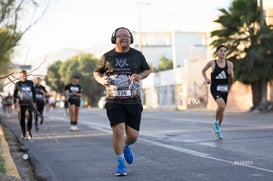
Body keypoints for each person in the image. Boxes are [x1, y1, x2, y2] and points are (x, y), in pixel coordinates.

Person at [93, 27, 151, 176]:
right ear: (114, 39)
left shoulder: (137, 55)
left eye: (127, 36)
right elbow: (97, 72)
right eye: (120, 36)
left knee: (133, 136)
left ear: (131, 38)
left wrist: (140, 76)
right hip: (114, 101)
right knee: (118, 131)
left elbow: (147, 70)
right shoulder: (107, 57)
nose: (124, 38)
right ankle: (120, 162)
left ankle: (125, 146)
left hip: (133, 101)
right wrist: (101, 80)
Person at [202, 45, 234, 139]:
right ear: (217, 53)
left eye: (225, 51)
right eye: (221, 51)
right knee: (221, 106)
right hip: (215, 88)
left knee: (222, 110)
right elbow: (203, 71)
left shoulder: (230, 64)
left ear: (226, 53)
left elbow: (232, 79)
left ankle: (217, 129)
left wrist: (231, 74)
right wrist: (206, 79)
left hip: (224, 88)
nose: (223, 52)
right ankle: (216, 123)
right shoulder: (212, 63)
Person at [13, 70, 36, 140]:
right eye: (23, 75)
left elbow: (34, 92)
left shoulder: (30, 83)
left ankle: (29, 131)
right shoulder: (17, 84)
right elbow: (14, 95)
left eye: (25, 75)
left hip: (29, 103)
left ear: (27, 75)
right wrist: (14, 103)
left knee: (29, 117)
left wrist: (34, 102)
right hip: (20, 104)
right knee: (21, 119)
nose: (24, 76)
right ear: (20, 76)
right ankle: (23, 133)